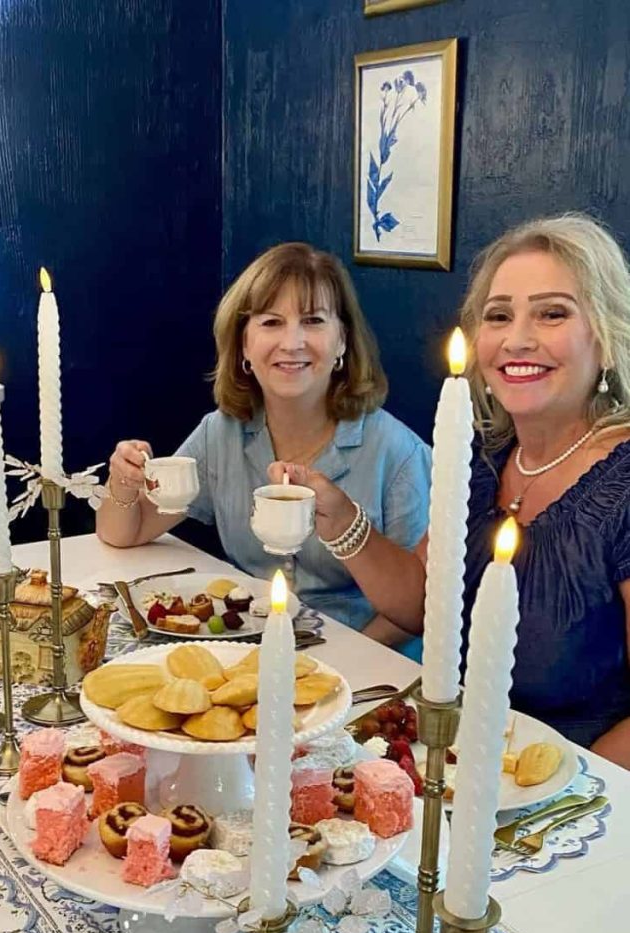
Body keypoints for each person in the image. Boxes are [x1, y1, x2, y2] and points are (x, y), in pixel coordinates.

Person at [276, 214, 630, 767]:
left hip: (574, 792)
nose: (518, 339)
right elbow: (425, 603)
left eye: (552, 313)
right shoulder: (484, 456)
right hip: (455, 763)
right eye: (499, 315)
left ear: (607, 341)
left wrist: (570, 786)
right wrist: (339, 517)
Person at [96, 242, 431, 650]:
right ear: (243, 346)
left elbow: (417, 608)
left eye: (313, 321)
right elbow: (123, 534)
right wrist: (123, 483)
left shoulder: (398, 454)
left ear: (342, 340)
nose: (292, 342)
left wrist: (333, 663)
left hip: (367, 663)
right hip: (248, 647)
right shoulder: (221, 433)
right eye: (271, 322)